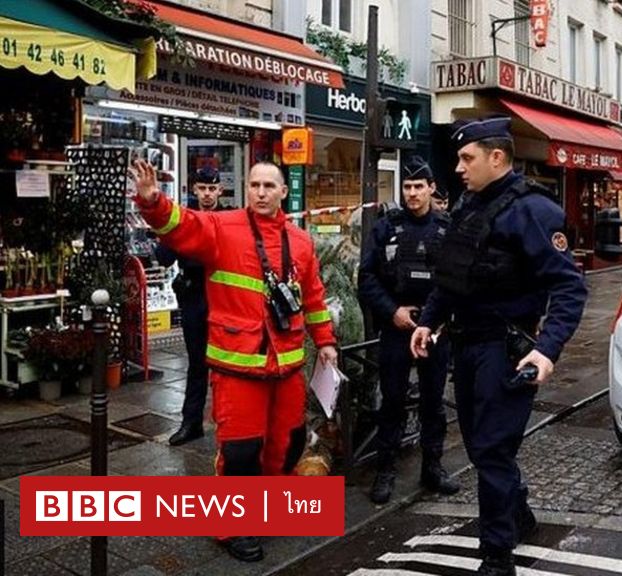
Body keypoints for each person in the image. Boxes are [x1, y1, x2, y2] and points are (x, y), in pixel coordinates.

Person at [130, 159, 338, 563]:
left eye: (268, 186)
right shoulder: (222, 227)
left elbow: (312, 296)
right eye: (254, 185)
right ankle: (233, 527)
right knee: (240, 453)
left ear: (283, 193)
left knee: (288, 444)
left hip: (287, 367)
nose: (260, 192)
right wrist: (153, 200)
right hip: (237, 367)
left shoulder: (300, 241)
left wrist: (325, 341)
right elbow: (181, 225)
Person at [410, 117, 587, 576]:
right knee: (482, 448)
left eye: (467, 158)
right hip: (465, 348)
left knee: (491, 451)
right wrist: (428, 321)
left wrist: (547, 350)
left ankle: (496, 556)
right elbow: (452, 276)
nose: (459, 167)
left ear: (497, 157)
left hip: (504, 350)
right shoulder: (470, 205)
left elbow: (569, 287)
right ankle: (519, 515)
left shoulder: (532, 210)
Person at [358, 156, 459, 504]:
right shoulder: (386, 226)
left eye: (419, 186)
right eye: (407, 187)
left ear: (432, 188)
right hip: (397, 327)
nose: (413, 193)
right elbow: (366, 277)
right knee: (393, 402)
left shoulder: (449, 228)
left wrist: (439, 319)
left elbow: (459, 280)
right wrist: (393, 311)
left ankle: (433, 467)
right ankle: (385, 471)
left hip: (435, 330)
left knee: (433, 402)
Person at [154, 167, 222, 446]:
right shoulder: (184, 218)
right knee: (197, 362)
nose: (207, 194)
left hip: (223, 295)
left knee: (226, 363)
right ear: (194, 189)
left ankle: (228, 423)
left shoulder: (229, 218)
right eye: (202, 188)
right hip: (194, 294)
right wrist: (175, 232)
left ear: (220, 191)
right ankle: (191, 423)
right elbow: (163, 257)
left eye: (212, 189)